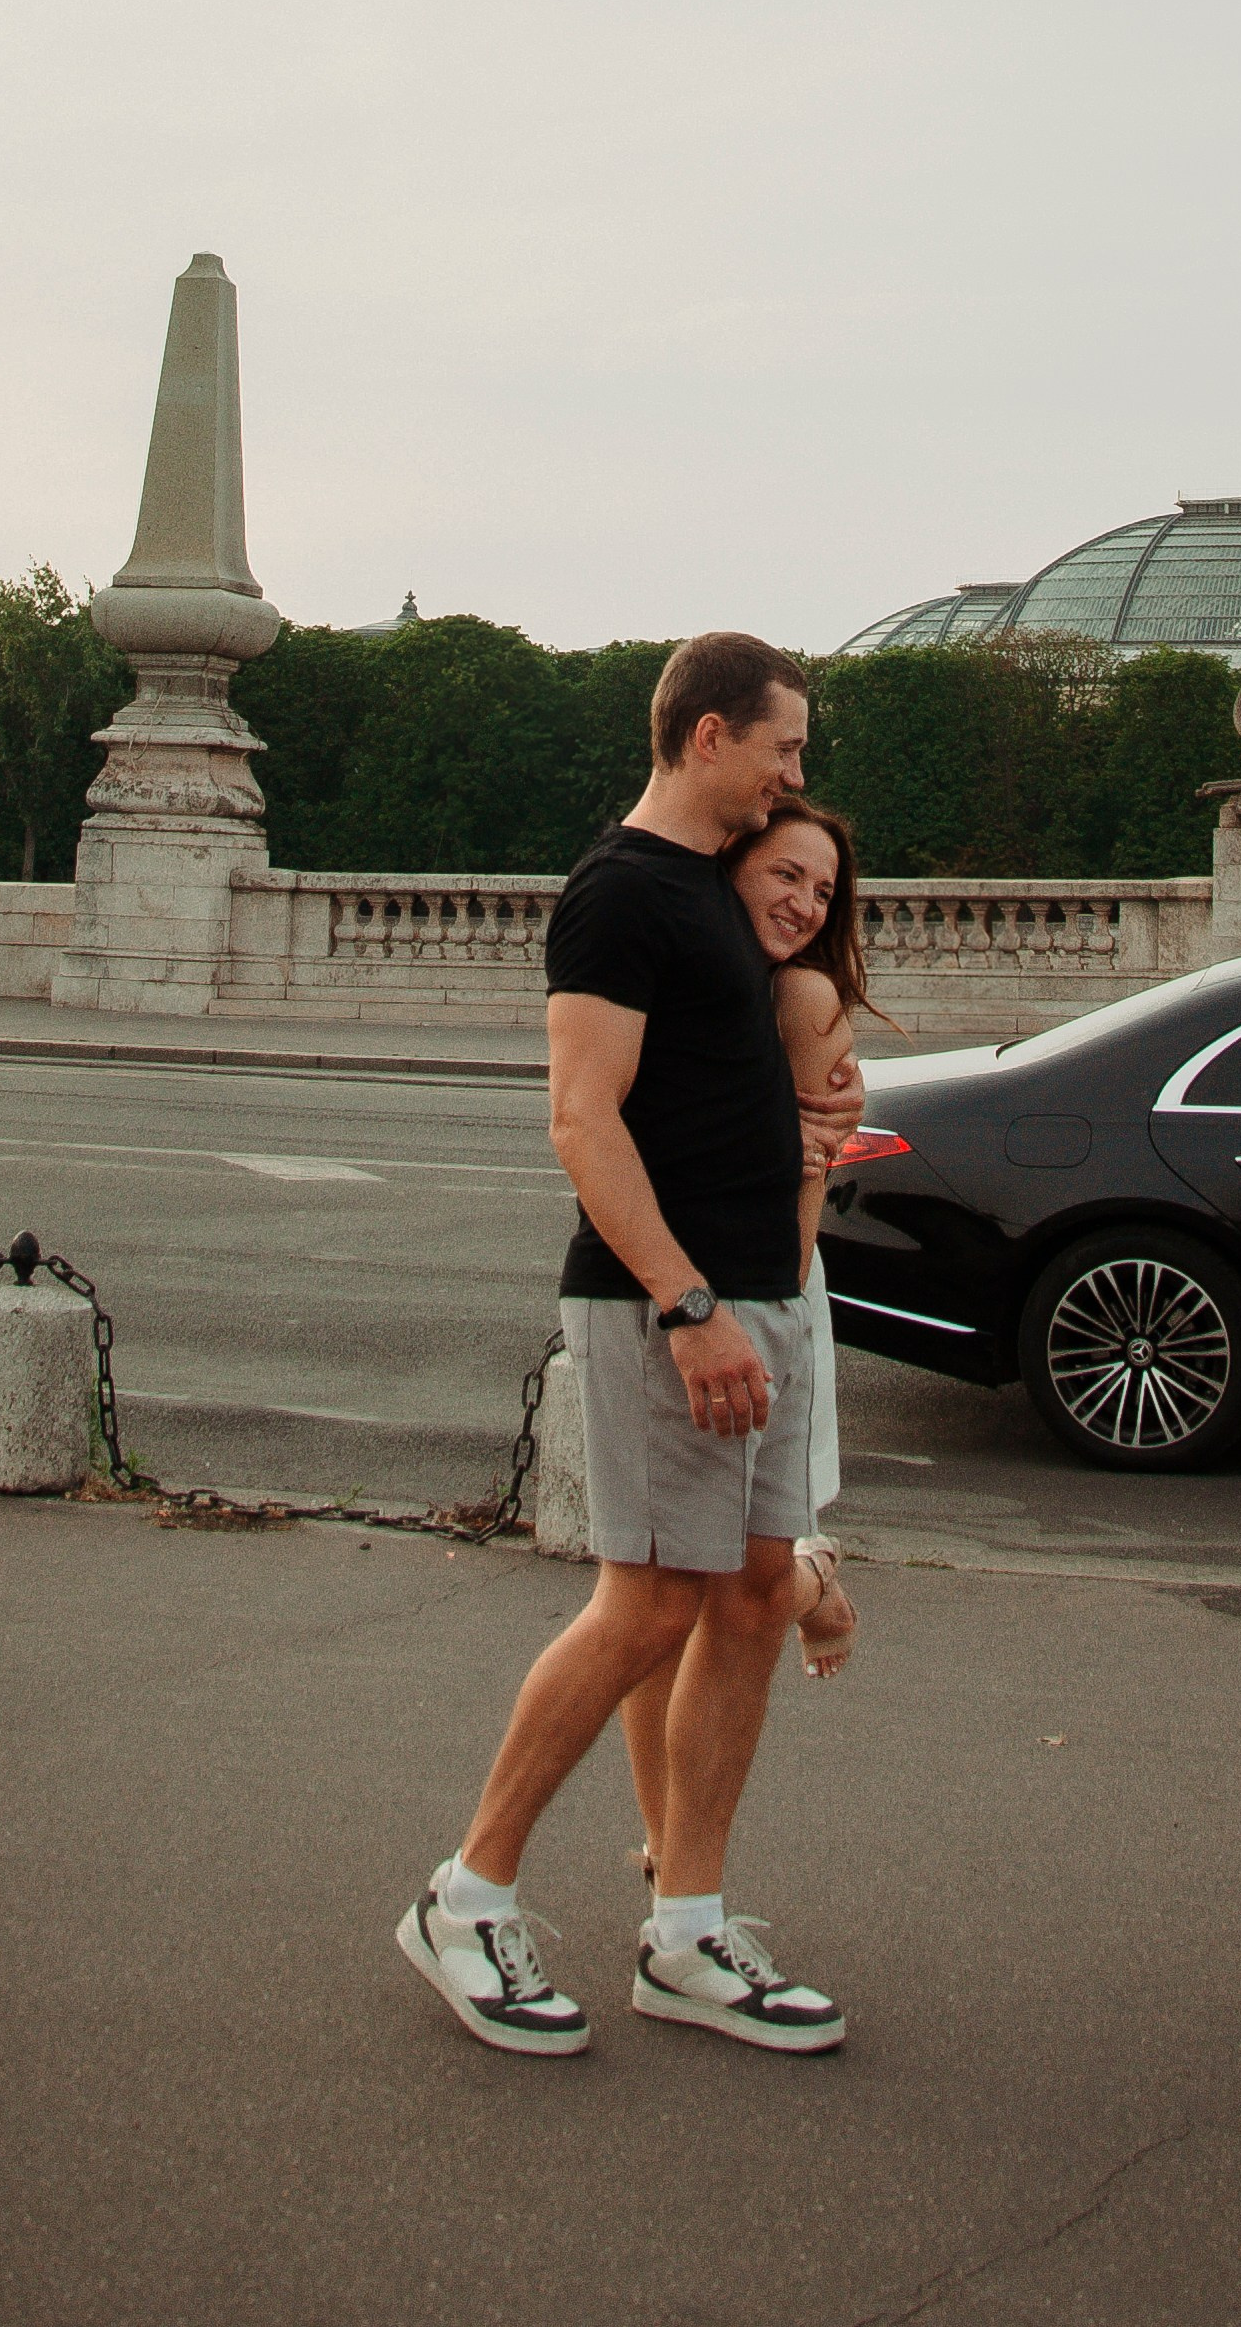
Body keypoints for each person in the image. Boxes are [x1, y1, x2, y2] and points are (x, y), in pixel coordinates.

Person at [396, 633, 864, 2061]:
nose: (797, 772)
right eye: (782, 747)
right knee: (648, 1607)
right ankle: (465, 1898)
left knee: (750, 1598)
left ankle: (685, 1928)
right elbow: (581, 1120)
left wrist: (800, 1159)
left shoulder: (713, 897)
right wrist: (689, 1306)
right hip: (670, 1308)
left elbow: (712, 1095)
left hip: (752, 1296)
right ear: (708, 734)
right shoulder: (617, 894)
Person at [618, 802, 890, 1891]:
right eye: (786, 874)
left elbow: (811, 1175)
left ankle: (812, 1581)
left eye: (822, 891)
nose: (804, 903)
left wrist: (757, 1301)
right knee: (673, 1585)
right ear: (730, 867)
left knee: (718, 1577)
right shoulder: (709, 977)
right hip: (696, 1287)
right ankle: (666, 1846)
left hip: (757, 1289)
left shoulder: (800, 991)